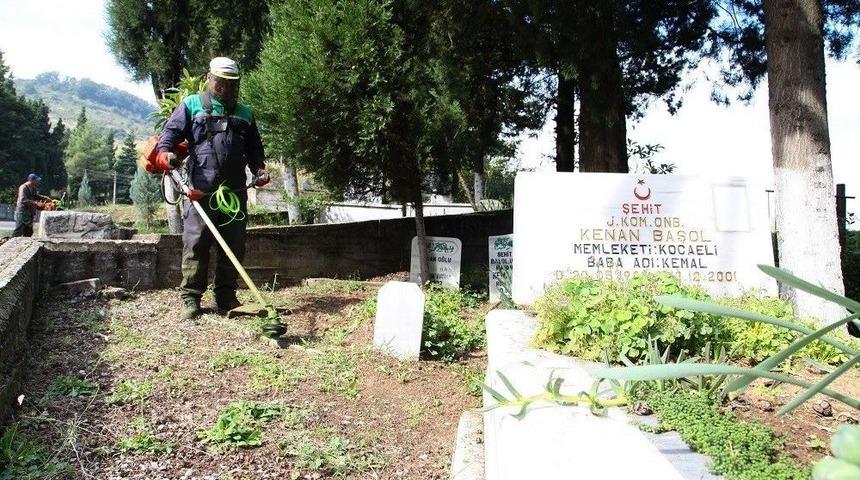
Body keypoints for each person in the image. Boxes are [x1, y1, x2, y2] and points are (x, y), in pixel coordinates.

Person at [157, 57, 270, 320]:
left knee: (234, 244)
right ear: (209, 79)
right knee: (196, 243)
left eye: (231, 84)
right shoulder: (191, 104)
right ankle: (191, 298)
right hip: (200, 191)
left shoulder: (245, 113)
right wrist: (165, 153)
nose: (225, 88)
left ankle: (226, 297)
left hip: (234, 193)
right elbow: (169, 135)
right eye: (220, 83)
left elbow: (255, 149)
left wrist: (260, 170)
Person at [12, 173, 49, 238]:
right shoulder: (23, 187)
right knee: (19, 230)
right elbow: (22, 200)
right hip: (22, 211)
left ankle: (25, 243)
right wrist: (35, 203)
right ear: (31, 180)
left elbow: (36, 196)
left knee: (29, 231)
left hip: (29, 212)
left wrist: (45, 198)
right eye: (36, 180)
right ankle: (11, 243)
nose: (38, 182)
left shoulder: (33, 188)